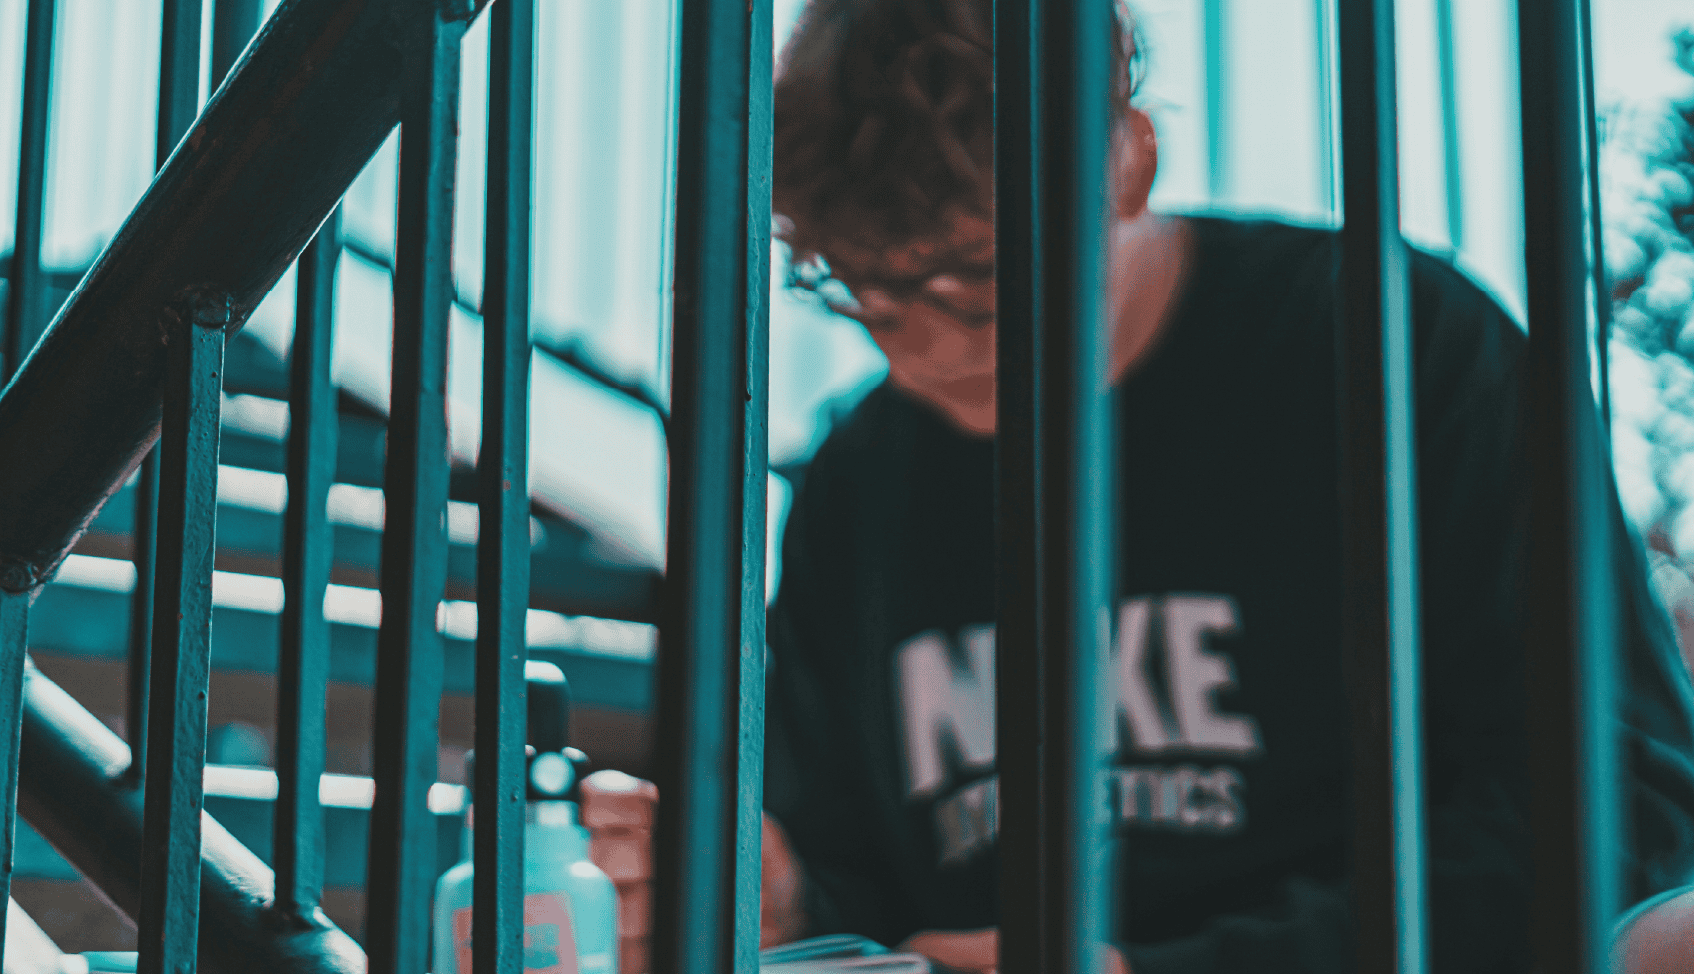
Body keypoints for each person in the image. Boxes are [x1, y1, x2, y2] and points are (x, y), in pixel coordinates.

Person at [583, 1, 1694, 971]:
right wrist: (779, 898)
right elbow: (855, 881)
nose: (926, 343)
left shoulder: (1391, 347)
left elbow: (1616, 808)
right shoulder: (855, 482)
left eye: (977, 275)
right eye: (871, 290)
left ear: (1129, 159)